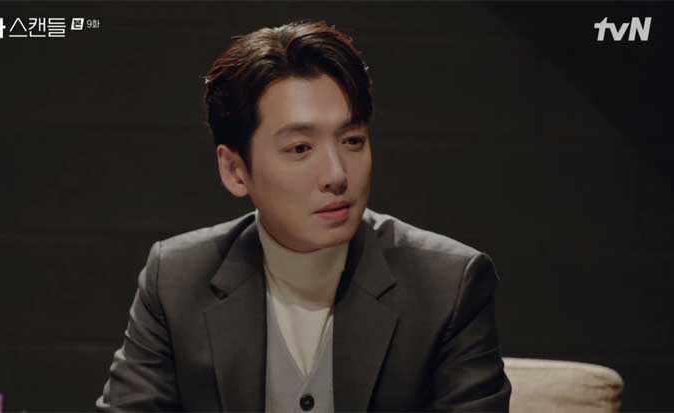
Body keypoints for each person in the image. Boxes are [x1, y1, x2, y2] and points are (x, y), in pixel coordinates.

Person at [96, 20, 511, 412]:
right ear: (235, 170)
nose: (336, 175)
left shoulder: (449, 286)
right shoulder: (176, 280)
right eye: (300, 148)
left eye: (352, 140)